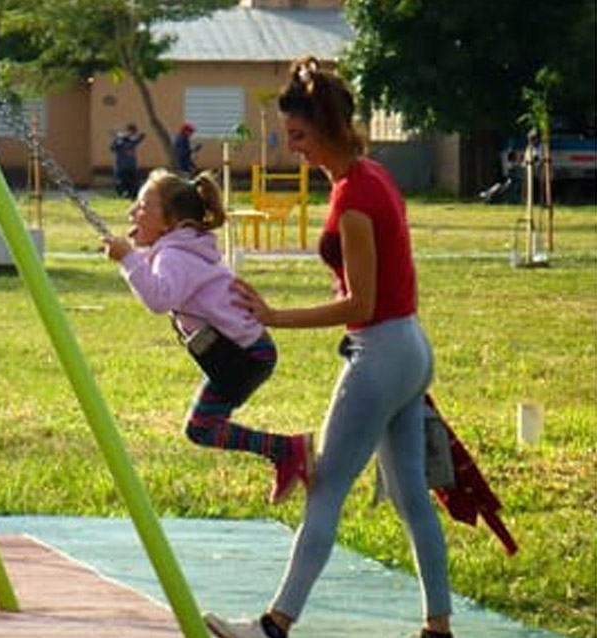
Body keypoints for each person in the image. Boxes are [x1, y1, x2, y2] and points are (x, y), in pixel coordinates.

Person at [202, 58, 453, 638]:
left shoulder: (353, 198)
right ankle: (438, 626)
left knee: (325, 488)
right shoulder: (372, 176)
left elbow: (360, 305)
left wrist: (274, 317)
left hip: (381, 353)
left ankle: (274, 626)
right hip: (410, 349)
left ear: (327, 127)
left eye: (298, 136)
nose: (294, 149)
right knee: (412, 498)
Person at [102, 168, 313, 504]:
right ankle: (287, 450)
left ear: (170, 221)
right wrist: (130, 256)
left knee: (202, 427)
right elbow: (158, 279)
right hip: (245, 350)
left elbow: (159, 298)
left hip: (244, 355)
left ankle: (289, 449)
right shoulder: (181, 249)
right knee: (203, 425)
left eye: (142, 207)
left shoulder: (175, 255)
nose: (132, 213)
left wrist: (127, 258)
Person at [110, 123, 146, 199]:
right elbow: (112, 148)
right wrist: (120, 138)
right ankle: (124, 194)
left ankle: (132, 195)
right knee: (122, 184)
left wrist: (127, 136)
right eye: (132, 132)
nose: (133, 134)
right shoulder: (120, 142)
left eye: (134, 132)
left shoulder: (132, 141)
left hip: (132, 167)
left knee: (134, 184)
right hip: (121, 167)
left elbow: (142, 136)